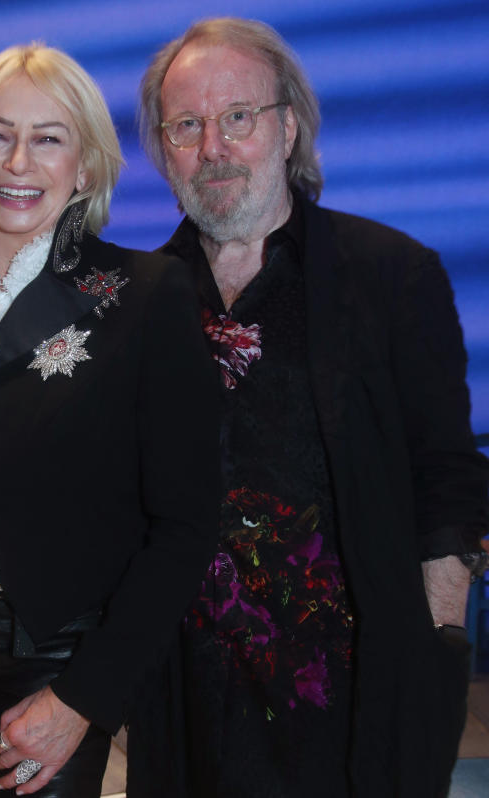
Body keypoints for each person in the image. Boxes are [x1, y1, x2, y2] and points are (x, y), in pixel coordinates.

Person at [130, 16, 489, 798]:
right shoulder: (139, 300)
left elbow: (448, 482)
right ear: (163, 148)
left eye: (238, 118)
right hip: (188, 702)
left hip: (352, 702)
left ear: (287, 126)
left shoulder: (392, 277)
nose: (213, 147)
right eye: (186, 125)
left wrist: (433, 651)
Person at [0, 44, 220, 798]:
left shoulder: (145, 294)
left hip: (59, 655)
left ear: (87, 167)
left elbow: (187, 525)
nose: (17, 161)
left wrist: (84, 697)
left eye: (48, 138)